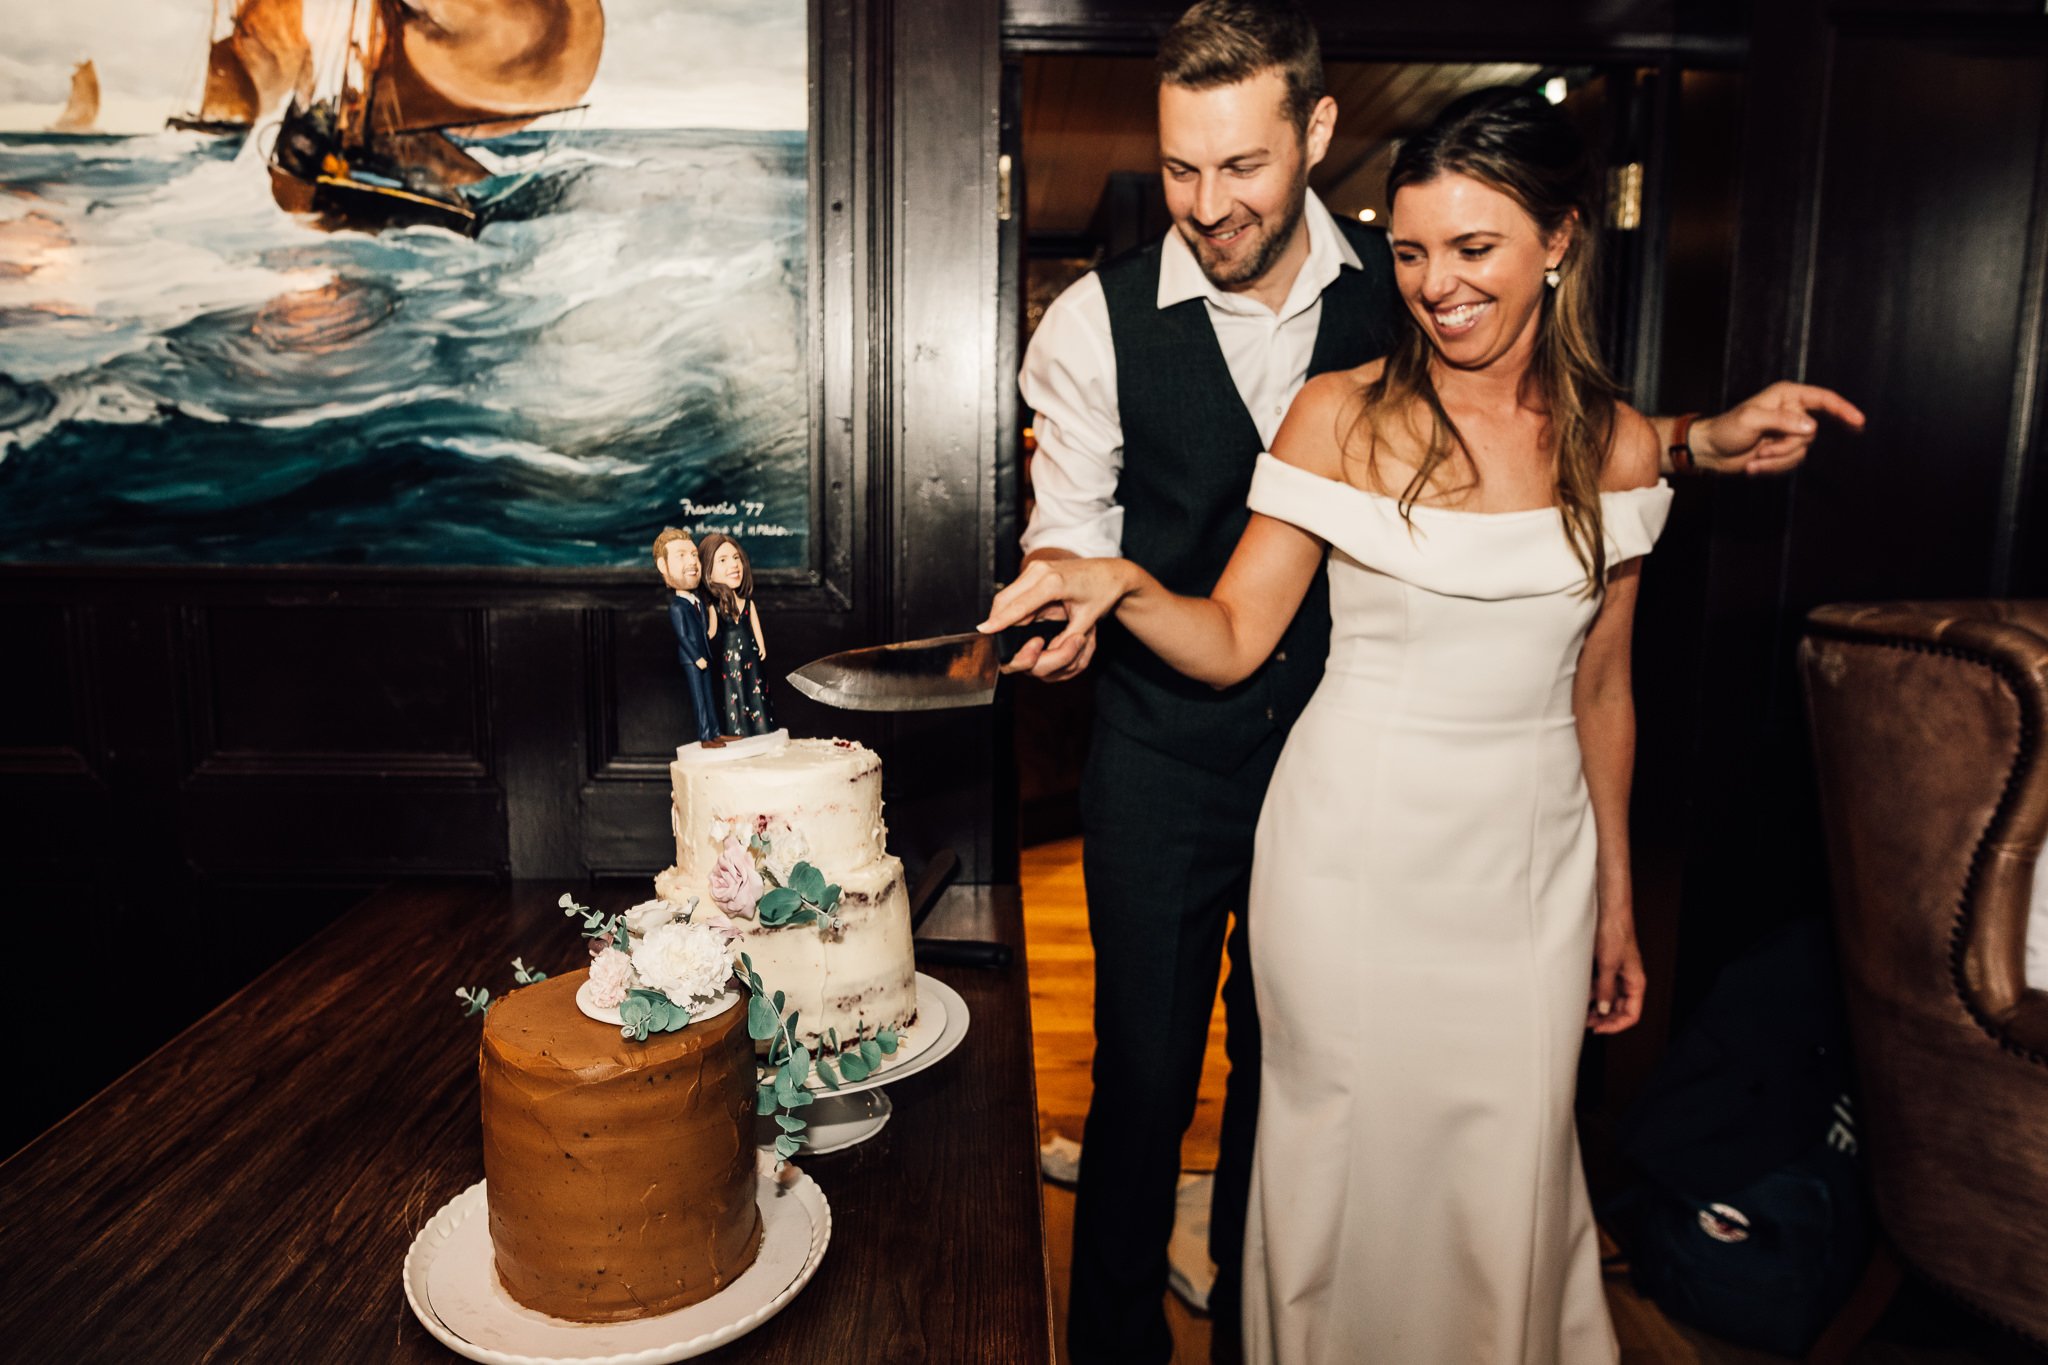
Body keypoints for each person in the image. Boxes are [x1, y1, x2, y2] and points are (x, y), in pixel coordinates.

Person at [1010, 4, 1867, 1360]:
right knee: (1156, 1087)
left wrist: (1700, 439)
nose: (1209, 201)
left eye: (1241, 166)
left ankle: (1255, 1328)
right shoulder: (1117, 333)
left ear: (1315, 137)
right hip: (1204, 766)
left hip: (1473, 838)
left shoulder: (1432, 319)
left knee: (1420, 1144)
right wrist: (1084, 584)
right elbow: (1110, 546)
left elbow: (1601, 603)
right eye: (1182, 169)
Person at [700, 531, 776, 736]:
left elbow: (755, 627)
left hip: (751, 657)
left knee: (757, 693)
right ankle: (738, 732)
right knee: (735, 694)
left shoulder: (748, 603)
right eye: (723, 560)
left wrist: (761, 645)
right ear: (708, 572)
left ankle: (762, 730)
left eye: (736, 558)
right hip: (729, 662)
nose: (734, 565)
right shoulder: (714, 608)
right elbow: (710, 634)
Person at [654, 527, 722, 746]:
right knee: (699, 698)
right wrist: (696, 657)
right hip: (693, 659)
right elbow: (683, 636)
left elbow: (705, 629)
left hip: (705, 655)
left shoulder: (698, 601)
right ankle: (705, 736)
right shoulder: (677, 607)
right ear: (663, 566)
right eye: (681, 556)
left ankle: (716, 732)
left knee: (710, 696)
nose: (692, 562)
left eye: (694, 555)